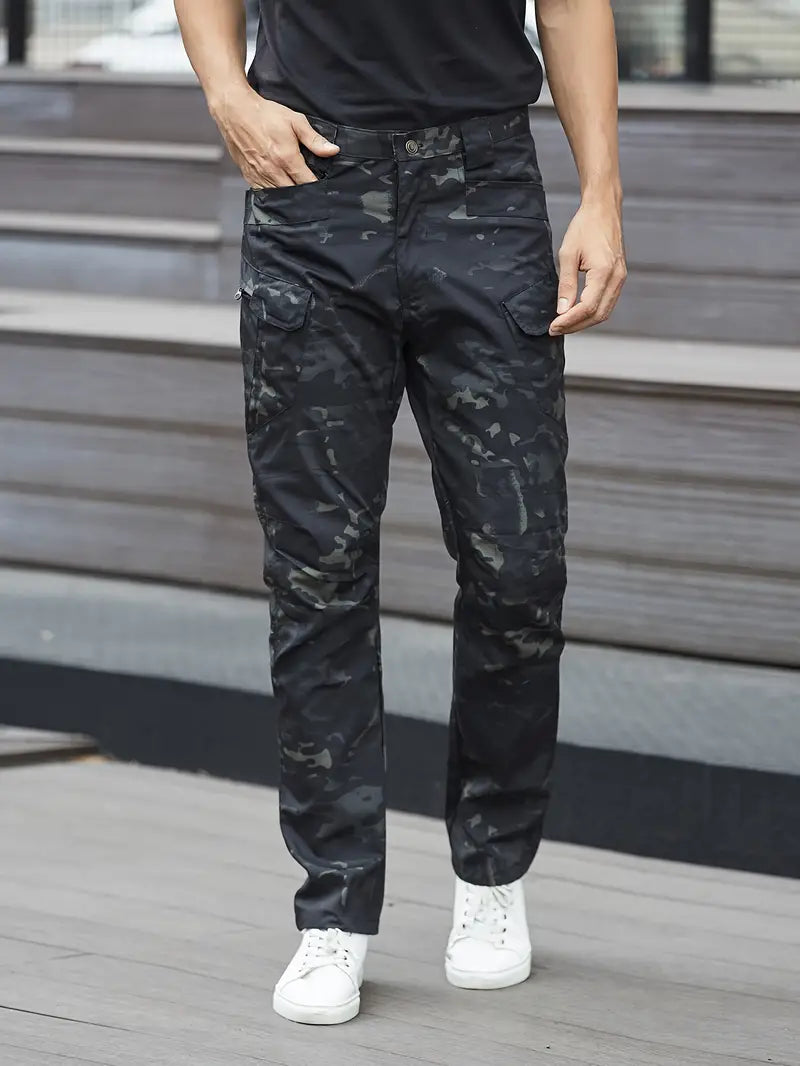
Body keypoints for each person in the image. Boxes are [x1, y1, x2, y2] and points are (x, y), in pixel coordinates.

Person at [175, 0, 626, 1026]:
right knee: (318, 571)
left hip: (484, 192)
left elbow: (569, 5)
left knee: (519, 563)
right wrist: (228, 94)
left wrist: (600, 193)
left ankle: (492, 871)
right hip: (311, 190)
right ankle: (334, 906)